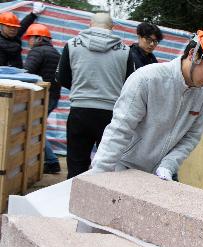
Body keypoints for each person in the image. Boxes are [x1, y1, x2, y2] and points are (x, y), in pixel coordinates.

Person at [90, 27, 203, 181]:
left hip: (161, 172)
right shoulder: (147, 79)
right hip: (125, 166)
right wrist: (99, 174)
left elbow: (191, 136)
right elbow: (120, 128)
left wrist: (168, 165)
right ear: (193, 54)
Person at [56, 12, 134, 179]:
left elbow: (62, 78)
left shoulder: (71, 45)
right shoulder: (125, 51)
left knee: (76, 162)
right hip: (110, 114)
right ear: (112, 28)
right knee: (107, 166)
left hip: (79, 111)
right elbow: (130, 84)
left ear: (90, 25)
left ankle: (72, 200)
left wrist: (81, 89)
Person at [23, 23, 62, 174]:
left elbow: (27, 73)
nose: (29, 41)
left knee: (35, 128)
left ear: (39, 38)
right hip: (53, 96)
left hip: (40, 96)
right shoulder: (55, 53)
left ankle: (52, 162)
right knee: (38, 127)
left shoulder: (37, 51)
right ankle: (49, 161)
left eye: (30, 38)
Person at [0, 2, 45, 68]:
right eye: (8, 26)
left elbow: (24, 25)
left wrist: (34, 14)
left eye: (15, 27)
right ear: (1, 26)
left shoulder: (14, 36)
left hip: (18, 75)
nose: (13, 29)